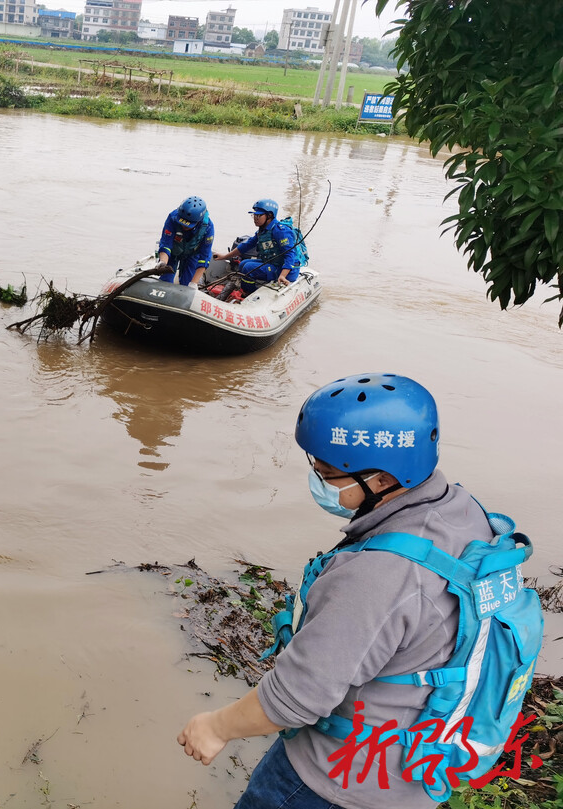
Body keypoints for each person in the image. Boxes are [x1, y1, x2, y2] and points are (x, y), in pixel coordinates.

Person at [176, 373, 511, 809]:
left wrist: (215, 727)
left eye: (330, 472)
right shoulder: (460, 511)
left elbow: (295, 697)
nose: (319, 478)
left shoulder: (379, 575)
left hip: (332, 788)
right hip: (411, 771)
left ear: (384, 477)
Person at [213, 199, 300, 291]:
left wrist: (283, 275)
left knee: (248, 268)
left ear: (269, 215)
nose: (255, 218)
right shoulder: (262, 230)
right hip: (274, 263)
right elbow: (246, 246)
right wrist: (224, 256)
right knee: (243, 264)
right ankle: (248, 288)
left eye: (258, 215)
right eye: (254, 215)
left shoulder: (281, 231)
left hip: (286, 270)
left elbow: (290, 255)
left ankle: (248, 292)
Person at [156, 196, 215, 287]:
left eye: (188, 226)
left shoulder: (208, 227)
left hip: (193, 254)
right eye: (182, 224)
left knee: (187, 284)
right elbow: (165, 244)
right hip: (173, 252)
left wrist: (193, 283)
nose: (184, 227)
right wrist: (163, 262)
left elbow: (204, 257)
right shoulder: (172, 218)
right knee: (165, 282)